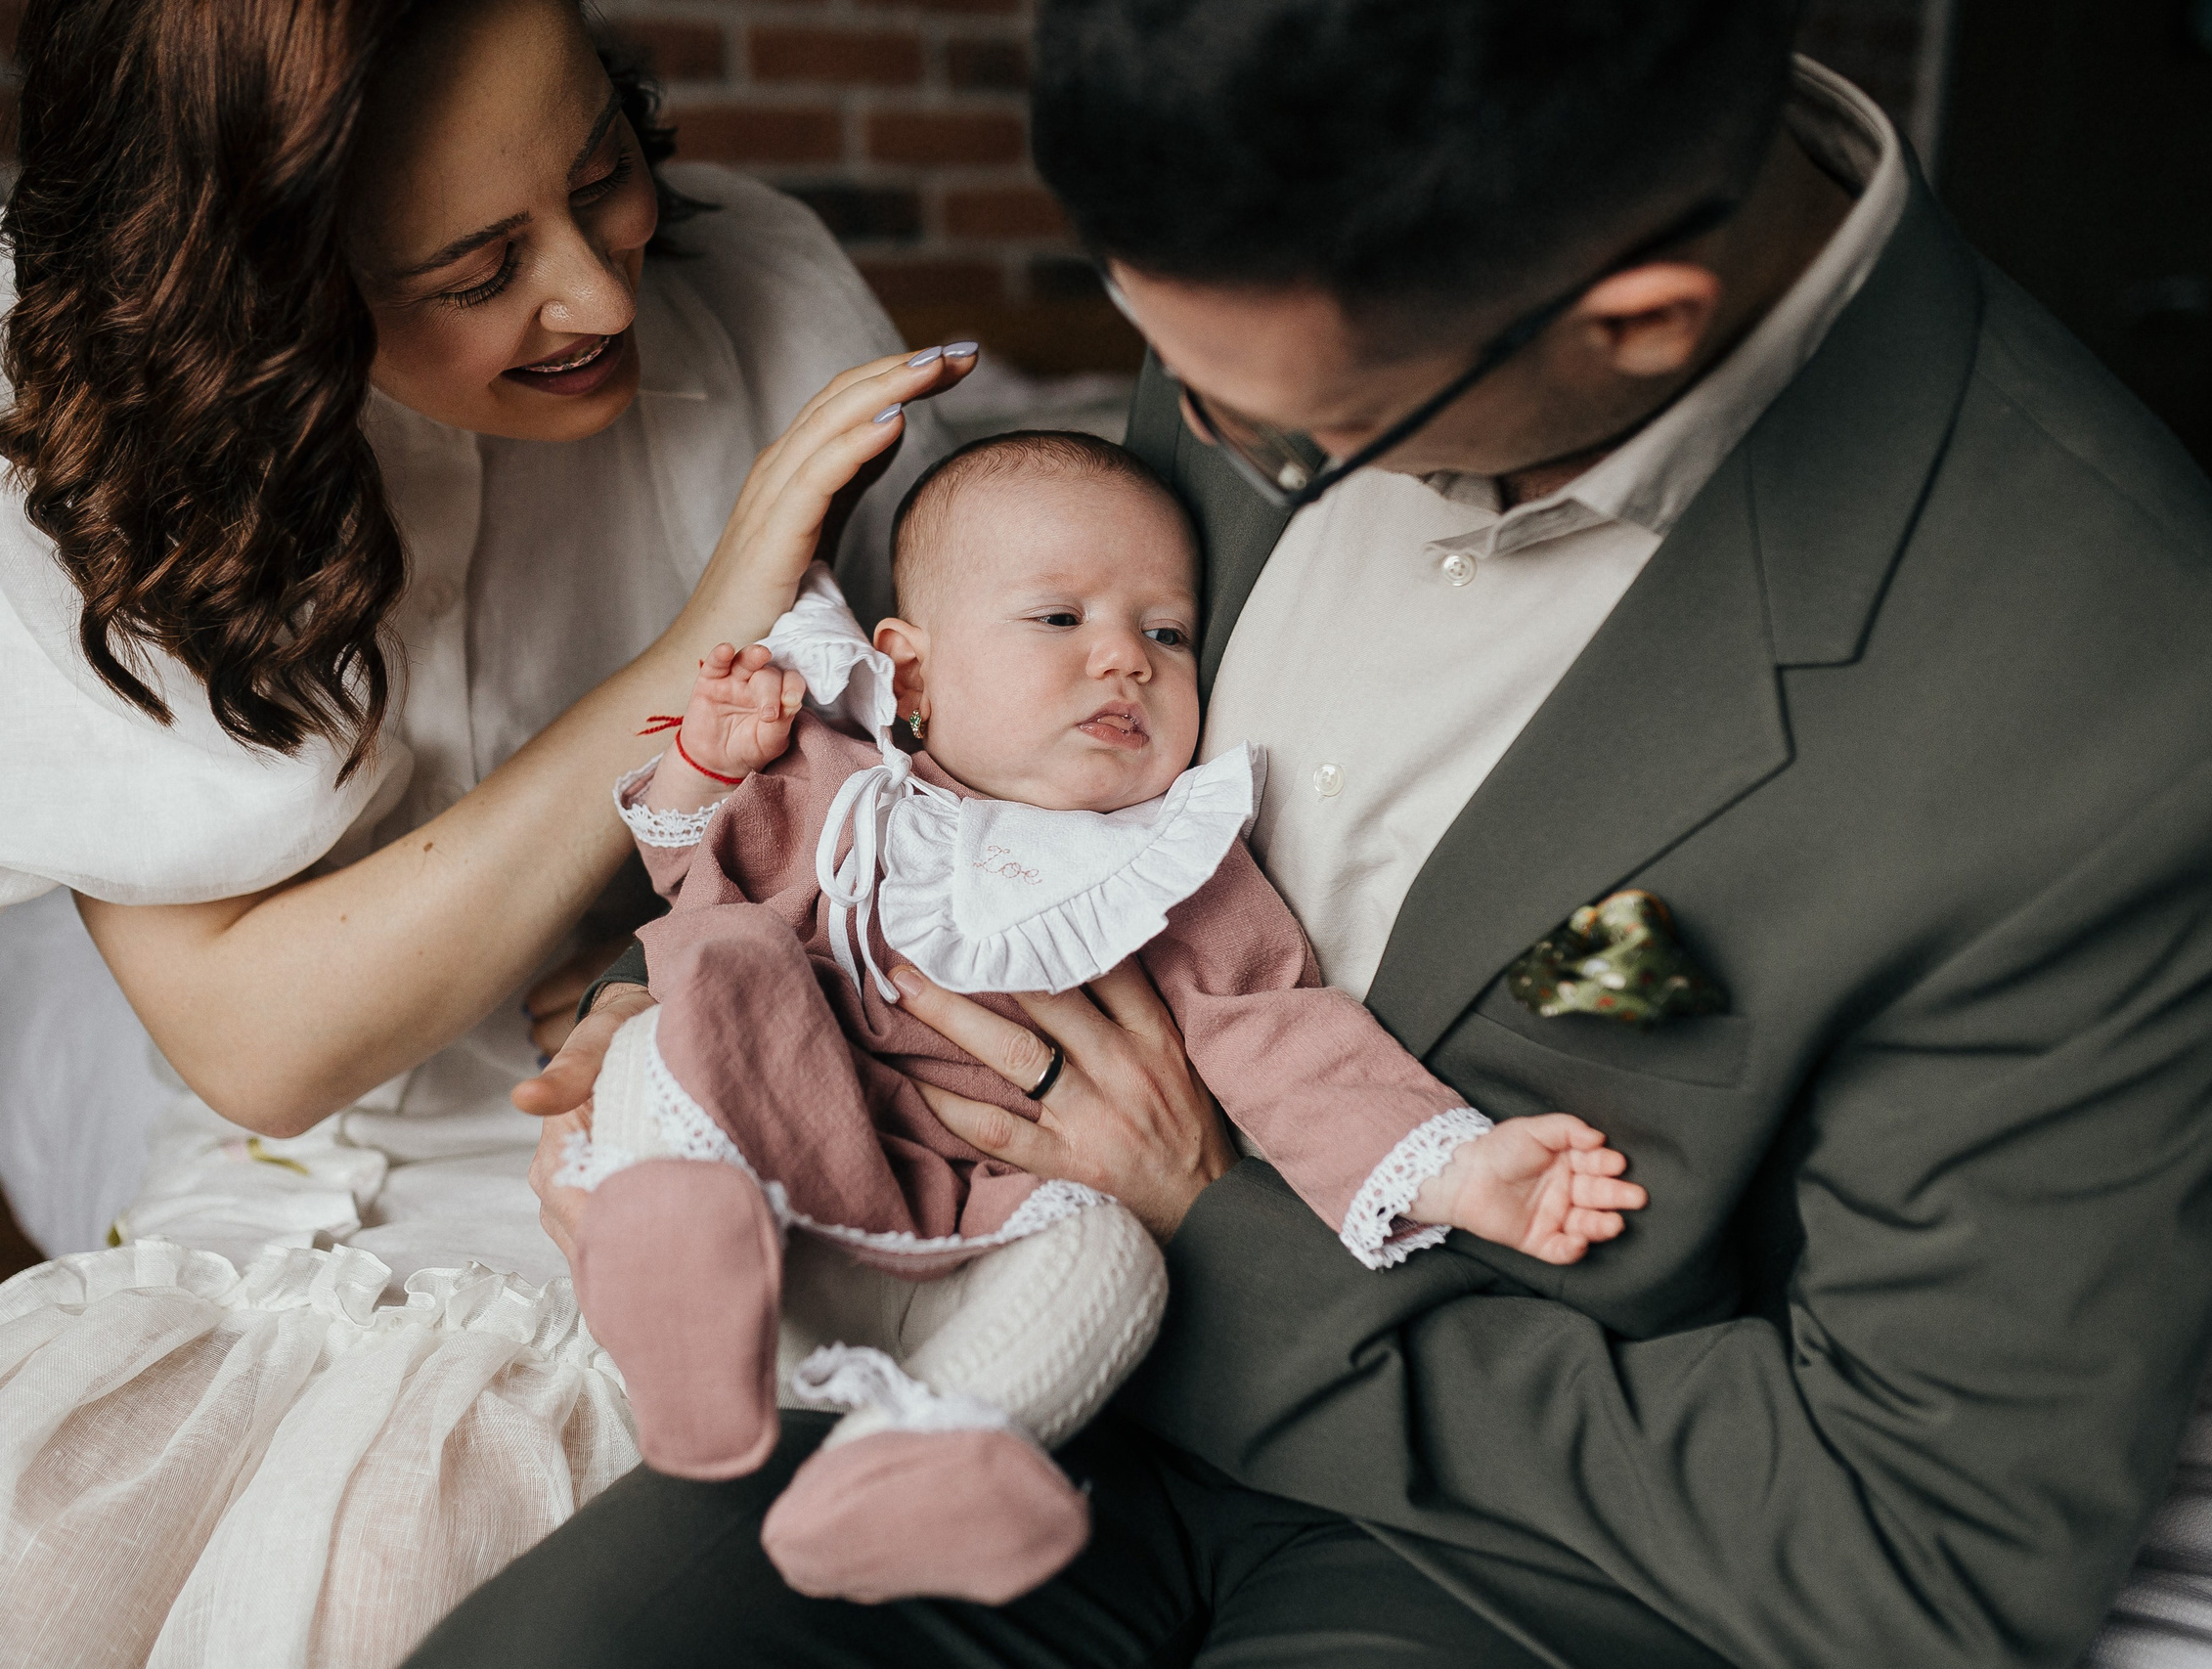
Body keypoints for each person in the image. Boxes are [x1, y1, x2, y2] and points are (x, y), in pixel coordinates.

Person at [423, 3, 2212, 1666]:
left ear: (1640, 322)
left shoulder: (2107, 699)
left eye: (1281, 436)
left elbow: (1929, 1543)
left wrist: (1210, 1233)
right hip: (962, 1344)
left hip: (1502, 1542)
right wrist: (773, 994)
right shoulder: (1294, 232)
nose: (1201, 435)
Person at [0, 0, 969, 1661]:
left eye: (605, 177)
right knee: (19, 1568)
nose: (598, 294)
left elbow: (966, 798)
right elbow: (262, 1042)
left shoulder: (763, 297)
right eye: (471, 271)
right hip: (273, 1192)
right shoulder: (36, 397)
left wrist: (697, 972)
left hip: (700, 1161)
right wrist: (691, 650)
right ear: (261, 294)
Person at [566, 433, 1644, 1605]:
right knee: (691, 995)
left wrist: (1459, 1169)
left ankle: (924, 1462)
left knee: (1111, 1257)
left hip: (983, 1228)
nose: (1124, 660)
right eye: (1057, 620)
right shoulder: (843, 790)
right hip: (787, 1184)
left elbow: (1285, 1040)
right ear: (912, 677)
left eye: (1166, 634)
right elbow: (693, 880)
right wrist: (706, 771)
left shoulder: (1177, 869)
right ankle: (684, 1280)